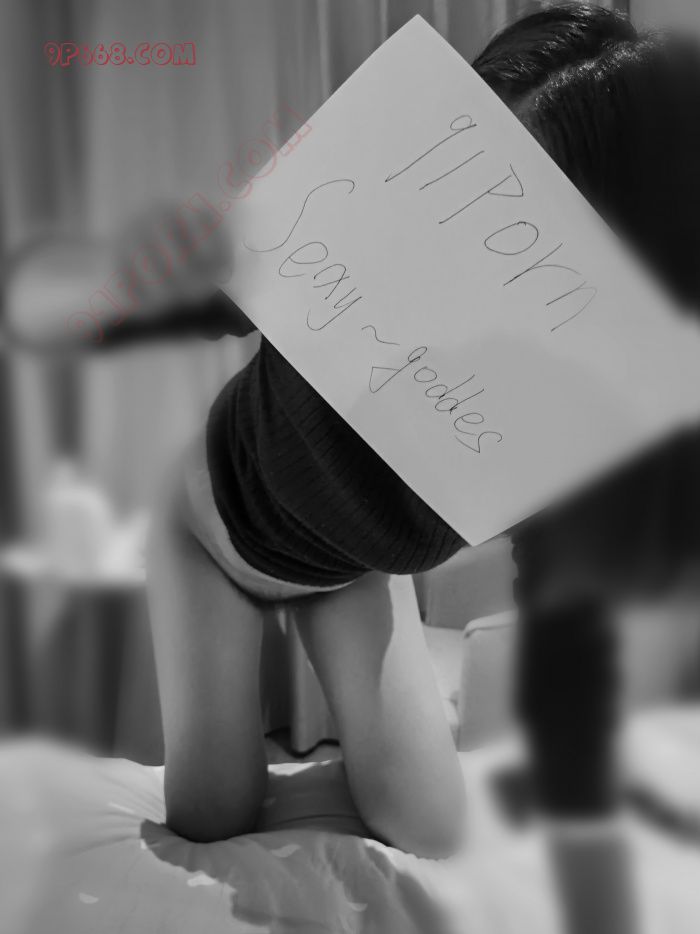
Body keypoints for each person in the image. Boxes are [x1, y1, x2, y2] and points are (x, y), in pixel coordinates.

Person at [142, 3, 700, 874]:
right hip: (209, 537)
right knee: (211, 814)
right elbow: (224, 286)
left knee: (433, 830)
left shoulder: (568, 404)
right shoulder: (363, 244)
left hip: (351, 572)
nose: (478, 239)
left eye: (523, 222)